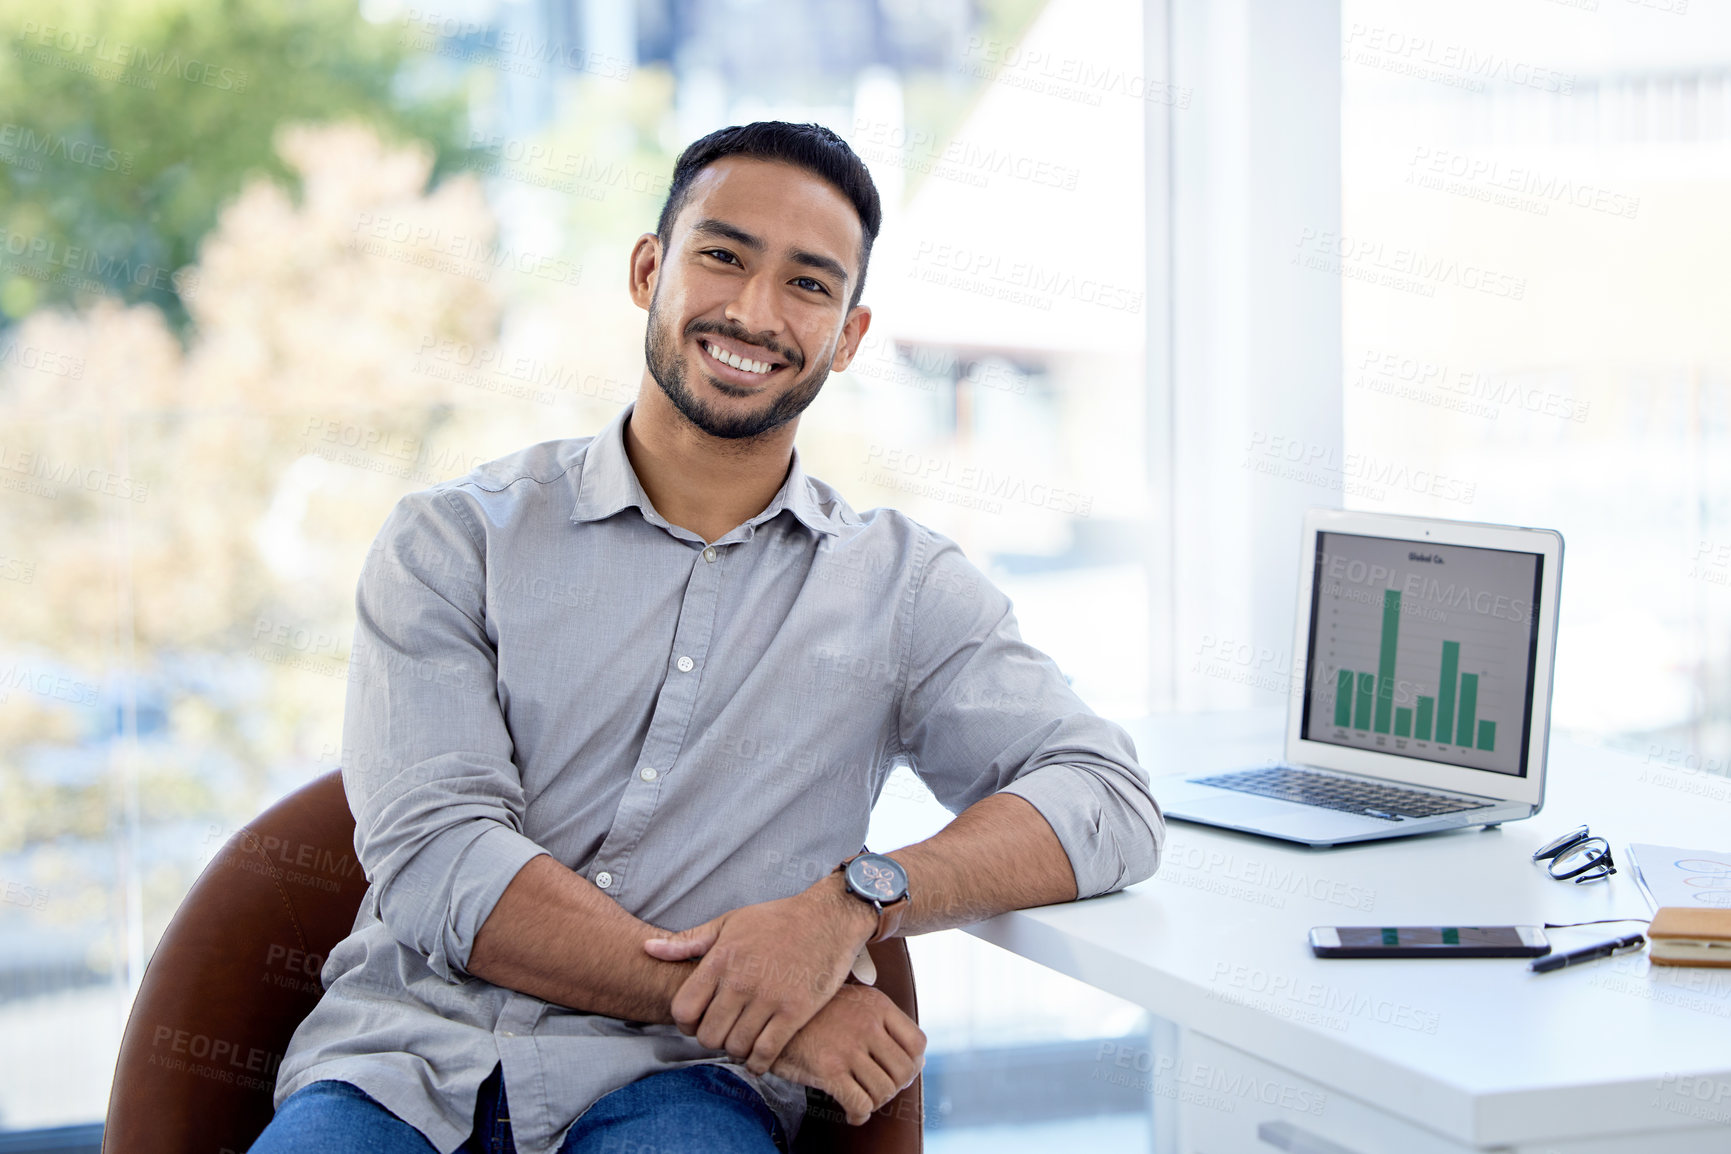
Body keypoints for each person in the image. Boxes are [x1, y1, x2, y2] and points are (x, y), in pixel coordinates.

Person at [253, 121, 1163, 1154]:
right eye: (723, 255)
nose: (755, 311)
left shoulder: (901, 588)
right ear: (650, 268)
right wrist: (773, 1004)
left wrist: (856, 900)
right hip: (404, 1067)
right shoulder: (456, 539)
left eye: (809, 285)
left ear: (850, 338)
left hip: (679, 1093)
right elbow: (439, 858)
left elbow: (1108, 797)